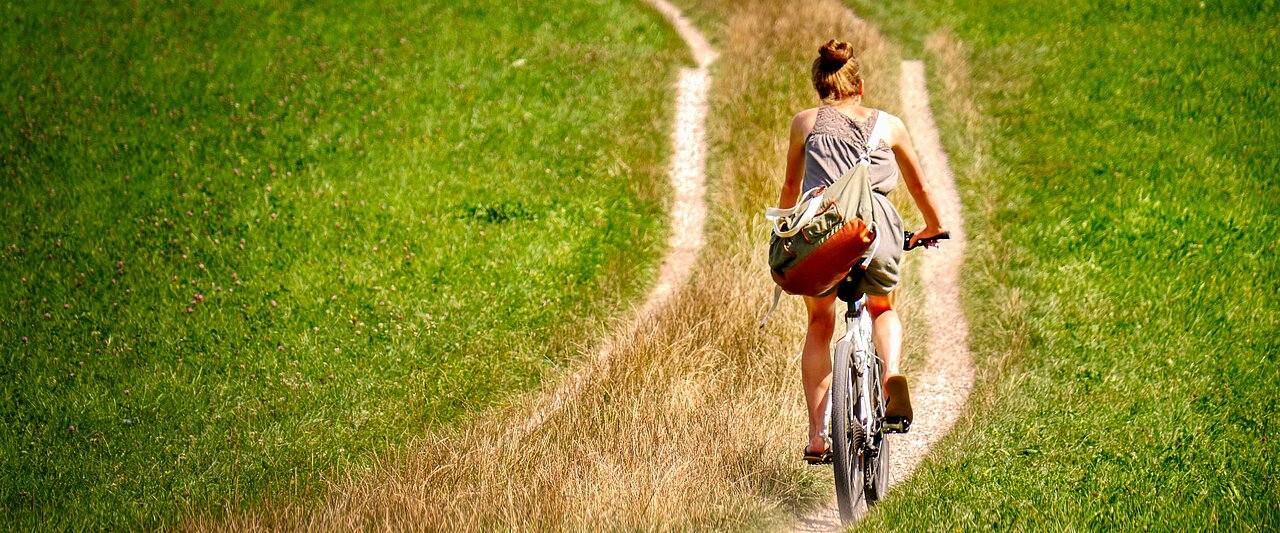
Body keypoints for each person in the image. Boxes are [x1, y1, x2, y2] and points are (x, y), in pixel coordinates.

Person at [778, 39, 947, 463]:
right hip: (878, 230)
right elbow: (920, 186)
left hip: (824, 231)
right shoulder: (889, 125)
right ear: (861, 86)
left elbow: (788, 189)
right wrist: (934, 226)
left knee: (820, 321)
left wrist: (785, 230)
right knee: (882, 308)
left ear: (820, 88)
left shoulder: (804, 123)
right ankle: (890, 374)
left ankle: (818, 435)